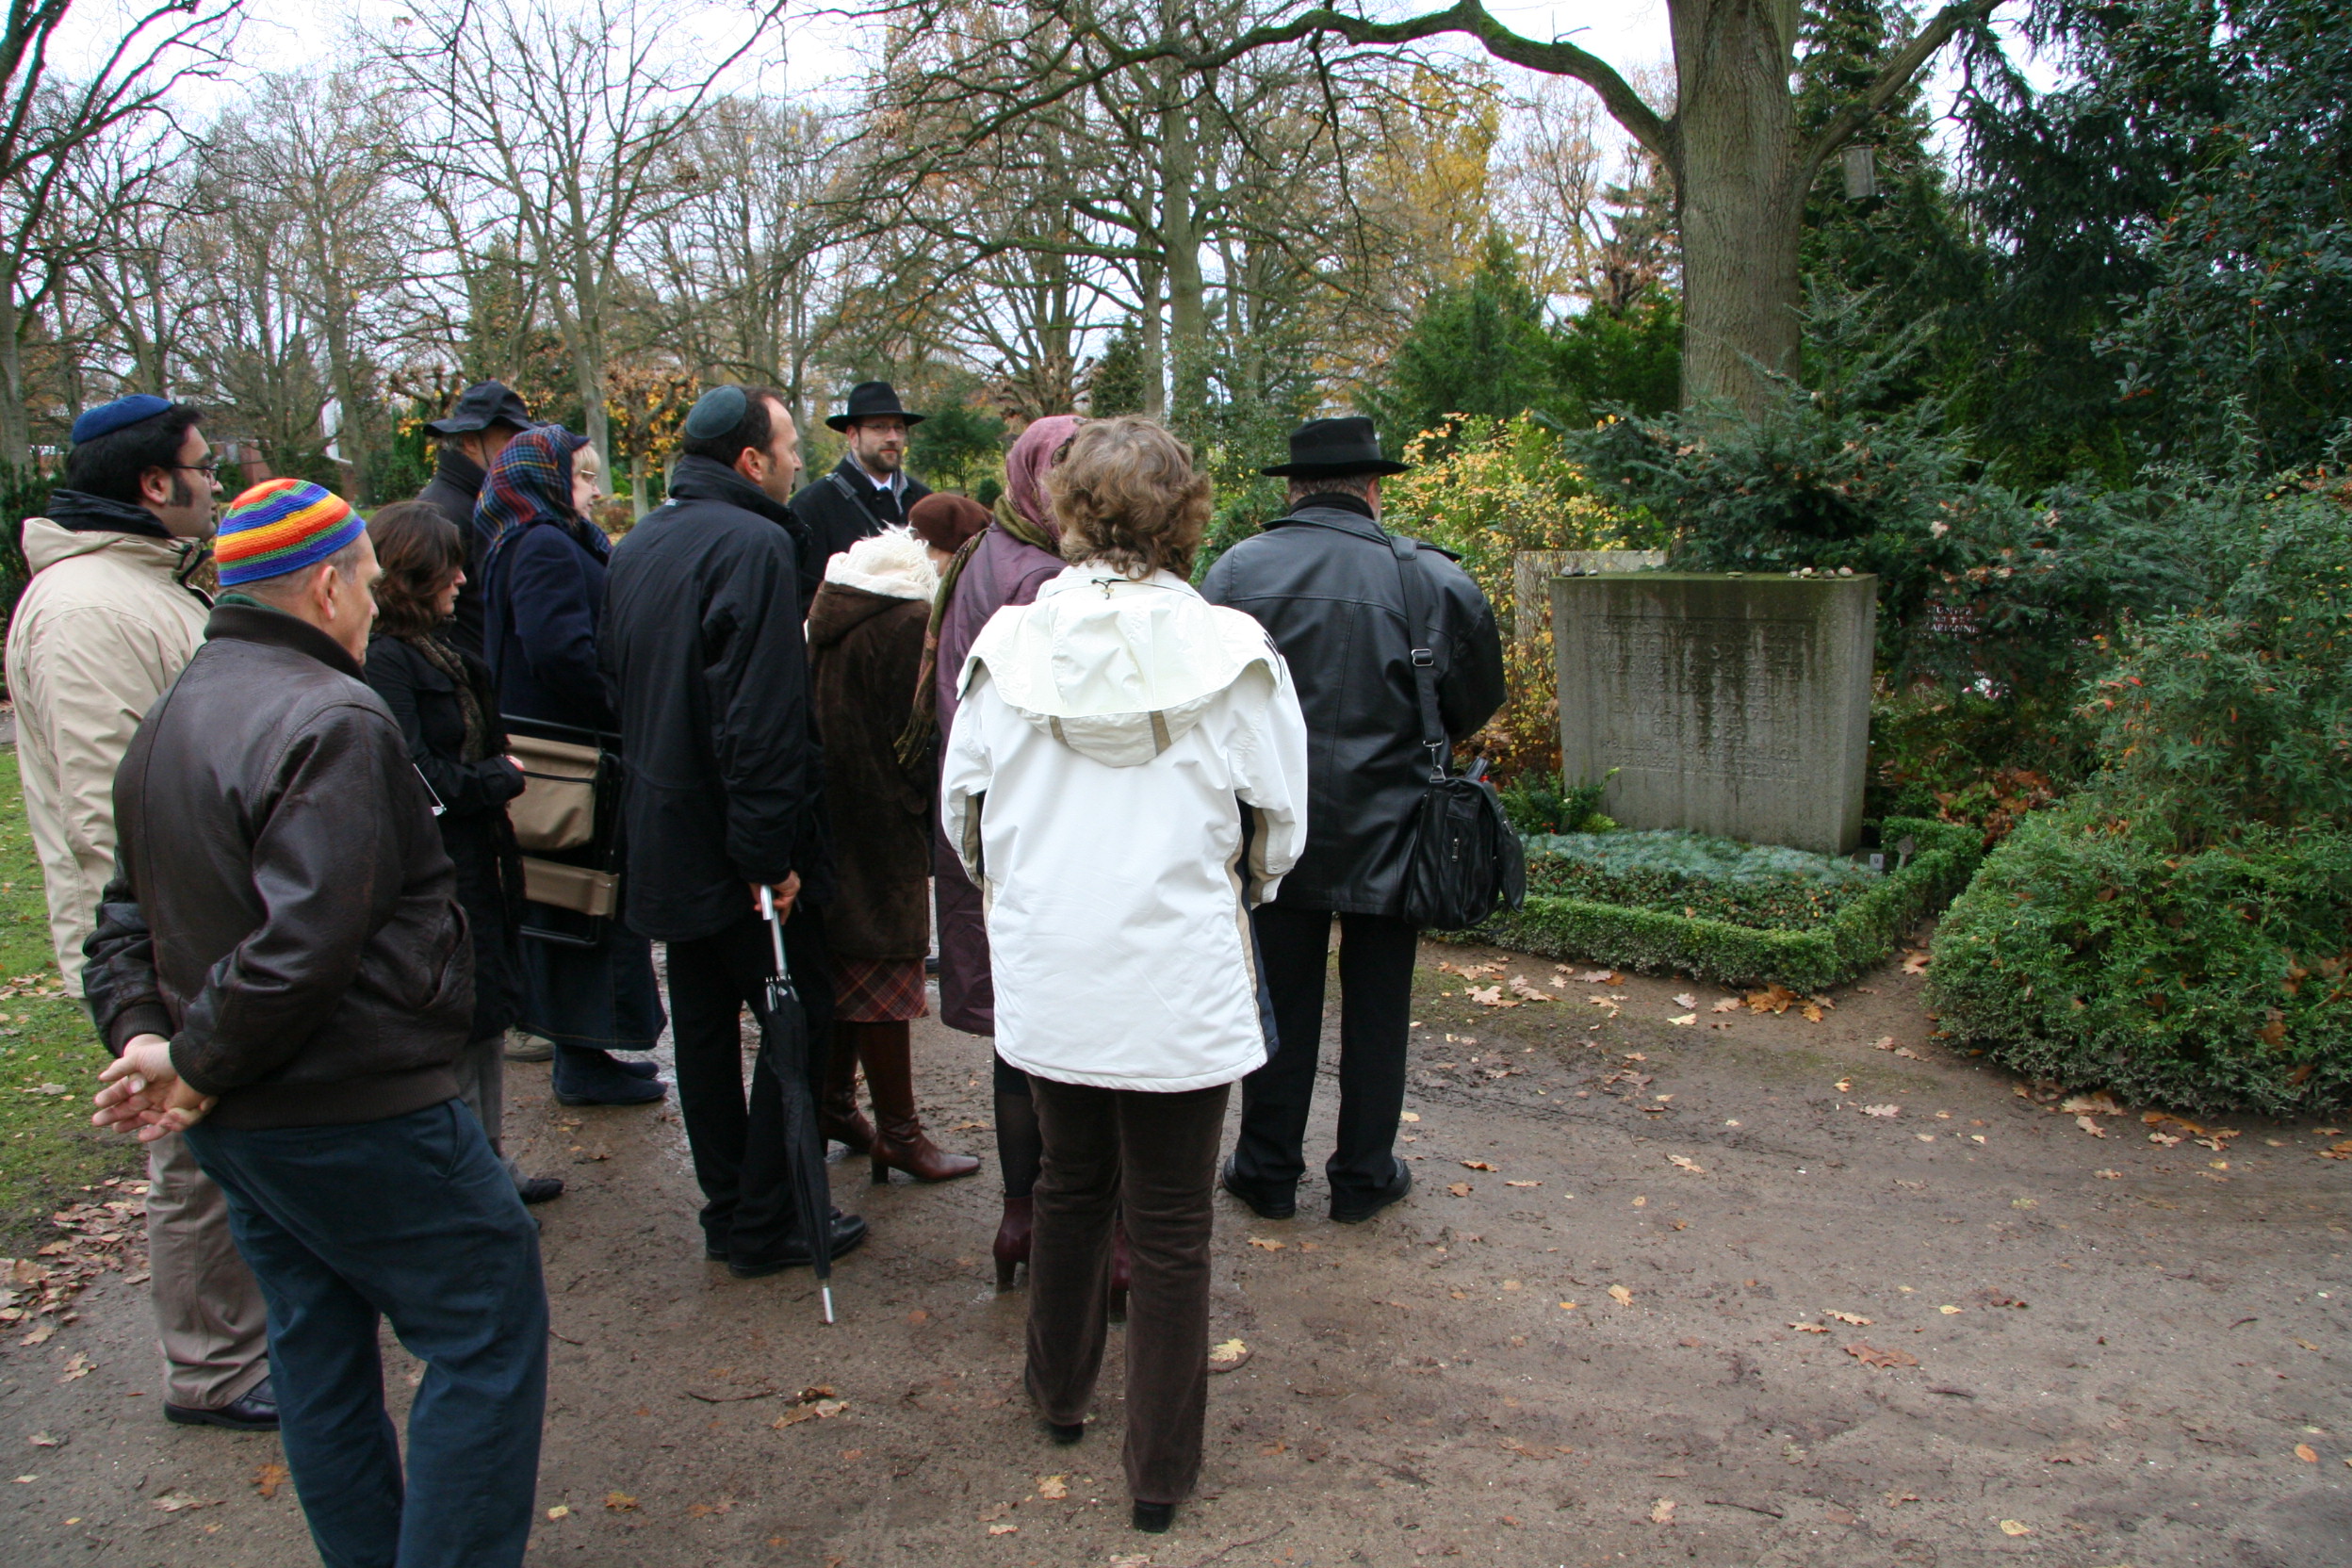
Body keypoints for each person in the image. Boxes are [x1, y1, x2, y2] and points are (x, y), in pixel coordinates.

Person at [84, 479, 547, 1568]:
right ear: (330, 581)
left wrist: (153, 1043)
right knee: (485, 1327)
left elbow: (120, 923)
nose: (379, 607)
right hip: (357, 1102)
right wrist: (183, 1058)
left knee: (315, 1342)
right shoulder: (333, 717)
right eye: (372, 585)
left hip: (247, 1117)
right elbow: (305, 944)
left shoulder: (176, 712)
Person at [941, 416, 1308, 1535]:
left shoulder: (1006, 649)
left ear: (1066, 512)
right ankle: (1158, 1474)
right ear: (1185, 512)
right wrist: (1239, 884)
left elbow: (964, 816)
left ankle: (1058, 1395)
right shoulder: (1233, 652)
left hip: (1056, 968)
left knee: (1067, 1184)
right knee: (1171, 1221)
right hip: (1175, 971)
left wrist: (1033, 893)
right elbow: (1281, 824)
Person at [2, 394, 273, 1433]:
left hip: (207, 915)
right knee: (189, 1140)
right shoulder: (88, 613)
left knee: (226, 1128)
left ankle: (248, 1331)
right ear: (155, 484)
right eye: (203, 466)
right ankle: (213, 1364)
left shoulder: (146, 586)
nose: (216, 481)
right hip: (164, 936)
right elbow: (109, 805)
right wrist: (162, 962)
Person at [1201, 416, 1506, 1224]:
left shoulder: (1235, 573)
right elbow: (1474, 703)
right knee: (1380, 1008)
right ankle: (1364, 1177)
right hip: (1396, 827)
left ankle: (1266, 1171)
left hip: (1274, 830)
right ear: (1374, 489)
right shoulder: (1434, 579)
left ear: (1293, 489)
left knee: (1280, 1001)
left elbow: (1200, 708)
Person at [602, 384, 866, 1277]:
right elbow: (758, 718)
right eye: (790, 445)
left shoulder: (640, 541)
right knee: (801, 1019)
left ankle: (732, 1207)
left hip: (663, 827)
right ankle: (766, 1215)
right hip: (728, 843)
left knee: (708, 1025)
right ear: (751, 461)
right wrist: (769, 856)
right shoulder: (754, 544)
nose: (799, 461)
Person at [918, 415, 1084, 1286]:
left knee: (1016, 1038)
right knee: (1057, 1034)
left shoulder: (988, 550)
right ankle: (1063, 1218)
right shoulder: (1039, 580)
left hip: (979, 824)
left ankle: (1017, 1216)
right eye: (1066, 477)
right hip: (1029, 838)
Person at [363, 500, 562, 1204]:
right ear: (415, 572)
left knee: (484, 1015)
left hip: (477, 859)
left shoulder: (435, 648)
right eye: (449, 565)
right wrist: (496, 779)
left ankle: (490, 1166)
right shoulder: (387, 661)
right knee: (455, 1020)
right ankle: (466, 1185)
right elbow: (417, 777)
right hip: (440, 869)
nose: (463, 579)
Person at [477, 425, 669, 1108]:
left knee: (573, 902)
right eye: (584, 478)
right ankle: (580, 1058)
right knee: (582, 902)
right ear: (552, 481)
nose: (594, 491)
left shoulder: (532, 538)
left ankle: (586, 1051)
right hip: (573, 751)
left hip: (562, 746)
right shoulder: (544, 544)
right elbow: (559, 651)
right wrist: (622, 707)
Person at [806, 524, 978, 1184]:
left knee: (848, 967)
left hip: (831, 818)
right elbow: (921, 728)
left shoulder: (830, 613)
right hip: (880, 825)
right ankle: (900, 1135)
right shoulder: (906, 621)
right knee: (882, 974)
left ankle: (834, 1106)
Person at [785, 380, 931, 609]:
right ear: (853, 435)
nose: (892, 437)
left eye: (899, 427)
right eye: (879, 427)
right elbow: (804, 598)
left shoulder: (925, 502)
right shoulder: (811, 506)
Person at [418, 379, 535, 662]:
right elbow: (425, 620)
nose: (521, 451)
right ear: (470, 442)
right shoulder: (441, 514)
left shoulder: (488, 501)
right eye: (509, 440)